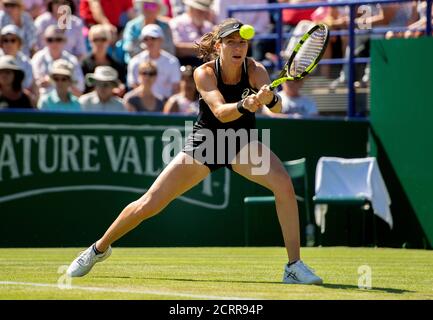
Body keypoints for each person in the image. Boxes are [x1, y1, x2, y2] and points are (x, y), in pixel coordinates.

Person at [66, 18, 323, 285]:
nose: (238, 47)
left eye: (243, 42)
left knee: (283, 184)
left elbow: (277, 108)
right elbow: (222, 113)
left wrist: (272, 99)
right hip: (207, 143)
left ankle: (293, 266)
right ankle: (97, 249)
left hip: (242, 143)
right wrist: (245, 105)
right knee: (149, 204)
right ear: (219, 46)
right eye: (232, 42)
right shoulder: (204, 73)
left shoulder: (256, 70)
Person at [127, 23, 181, 100]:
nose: (149, 42)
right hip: (141, 104)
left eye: (153, 38)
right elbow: (133, 86)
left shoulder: (172, 62)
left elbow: (176, 89)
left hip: (165, 104)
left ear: (161, 40)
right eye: (146, 39)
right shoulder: (135, 61)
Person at [31, 25, 85, 96]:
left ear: (65, 40)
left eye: (58, 39)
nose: (54, 43)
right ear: (44, 40)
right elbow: (33, 87)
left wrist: (52, 82)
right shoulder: (38, 58)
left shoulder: (72, 60)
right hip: (43, 103)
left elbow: (79, 90)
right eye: (50, 40)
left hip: (67, 103)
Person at [81, 24, 126, 93]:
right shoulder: (84, 64)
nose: (99, 43)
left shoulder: (116, 64)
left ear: (109, 41)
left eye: (103, 39)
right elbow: (83, 88)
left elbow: (121, 83)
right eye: (96, 39)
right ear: (90, 42)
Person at [169, 0, 214, 67]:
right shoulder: (177, 23)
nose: (202, 13)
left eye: (204, 10)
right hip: (184, 66)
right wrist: (205, 48)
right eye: (199, 10)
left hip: (205, 66)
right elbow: (177, 49)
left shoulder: (209, 26)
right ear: (191, 9)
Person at [0, 25, 35, 94]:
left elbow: (27, 85)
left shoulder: (26, 62)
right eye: (5, 40)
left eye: (13, 40)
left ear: (19, 43)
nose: (9, 43)